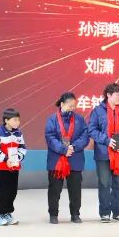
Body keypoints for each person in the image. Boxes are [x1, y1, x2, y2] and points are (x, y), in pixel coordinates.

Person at [88, 83, 119, 223]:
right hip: (103, 153)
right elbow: (92, 130)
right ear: (108, 95)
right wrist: (107, 141)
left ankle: (118, 212)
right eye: (117, 94)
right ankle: (104, 212)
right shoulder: (98, 111)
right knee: (104, 183)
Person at [45, 92, 90, 224]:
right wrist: (63, 149)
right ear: (62, 104)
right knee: (55, 189)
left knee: (75, 189)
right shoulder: (52, 119)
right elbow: (50, 137)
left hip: (74, 158)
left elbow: (85, 136)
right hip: (57, 159)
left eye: (74, 105)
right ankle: (53, 214)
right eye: (70, 105)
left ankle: (75, 214)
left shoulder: (79, 119)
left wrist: (73, 147)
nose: (72, 108)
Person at [0, 108, 26, 226]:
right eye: (15, 120)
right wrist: (6, 159)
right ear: (6, 121)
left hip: (15, 167)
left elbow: (23, 148)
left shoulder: (19, 133)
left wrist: (17, 158)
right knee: (3, 191)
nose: (17, 122)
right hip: (3, 167)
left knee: (12, 192)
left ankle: (8, 213)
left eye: (18, 120)